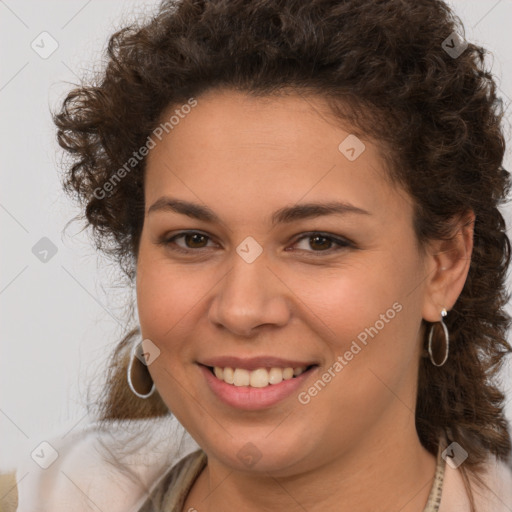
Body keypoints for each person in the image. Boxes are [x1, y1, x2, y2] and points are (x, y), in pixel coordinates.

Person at [2, 0, 512, 510]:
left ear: (444, 264)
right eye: (193, 239)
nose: (242, 310)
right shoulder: (44, 495)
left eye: (319, 241)